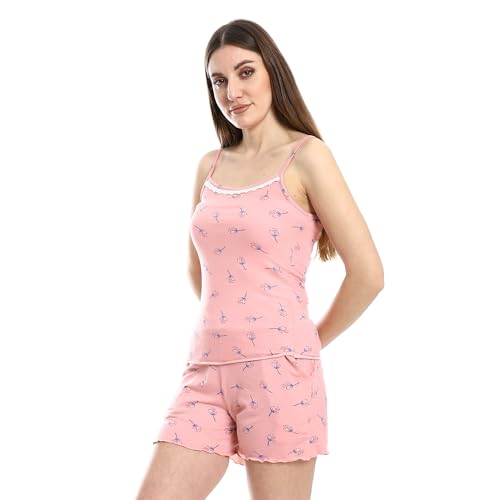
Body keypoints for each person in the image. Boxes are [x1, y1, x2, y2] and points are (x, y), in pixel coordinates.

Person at [136, 18, 384, 500]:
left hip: (280, 375)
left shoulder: (307, 157)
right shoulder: (210, 166)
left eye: (245, 72)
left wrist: (305, 341)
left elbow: (369, 274)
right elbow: (199, 271)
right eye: (219, 80)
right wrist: (232, 327)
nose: (232, 92)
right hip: (205, 371)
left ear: (273, 71)